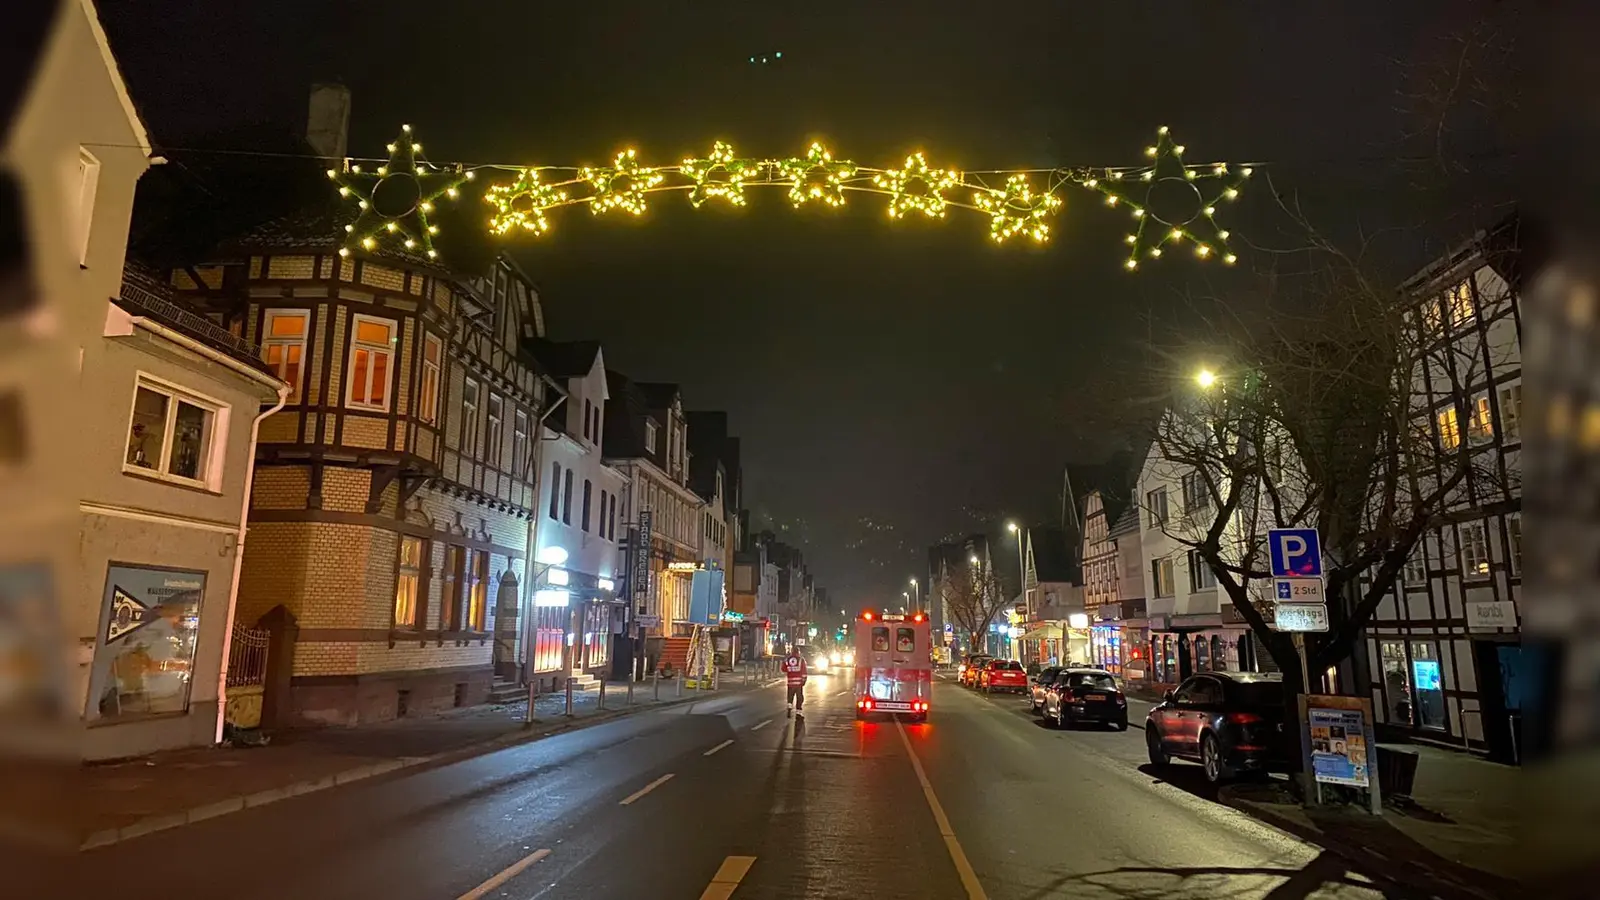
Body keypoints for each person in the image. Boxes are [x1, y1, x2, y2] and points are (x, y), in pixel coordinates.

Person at [781, 648, 808, 717]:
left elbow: (783, 669)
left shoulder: (787, 660)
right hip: (798, 683)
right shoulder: (801, 660)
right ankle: (798, 712)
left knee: (790, 696)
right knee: (799, 697)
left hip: (790, 683)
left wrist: (790, 670)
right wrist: (804, 680)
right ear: (798, 652)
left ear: (792, 652)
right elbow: (804, 671)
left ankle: (789, 706)